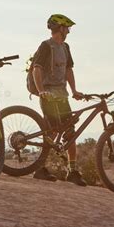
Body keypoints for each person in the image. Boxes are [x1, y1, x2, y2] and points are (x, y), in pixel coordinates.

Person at [32, 14, 87, 186]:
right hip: (48, 93)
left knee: (70, 132)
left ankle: (73, 171)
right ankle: (39, 168)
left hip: (62, 94)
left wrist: (74, 90)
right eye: (67, 28)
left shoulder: (65, 47)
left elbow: (68, 70)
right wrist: (41, 91)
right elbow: (37, 69)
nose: (69, 31)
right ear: (60, 28)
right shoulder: (46, 46)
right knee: (52, 131)